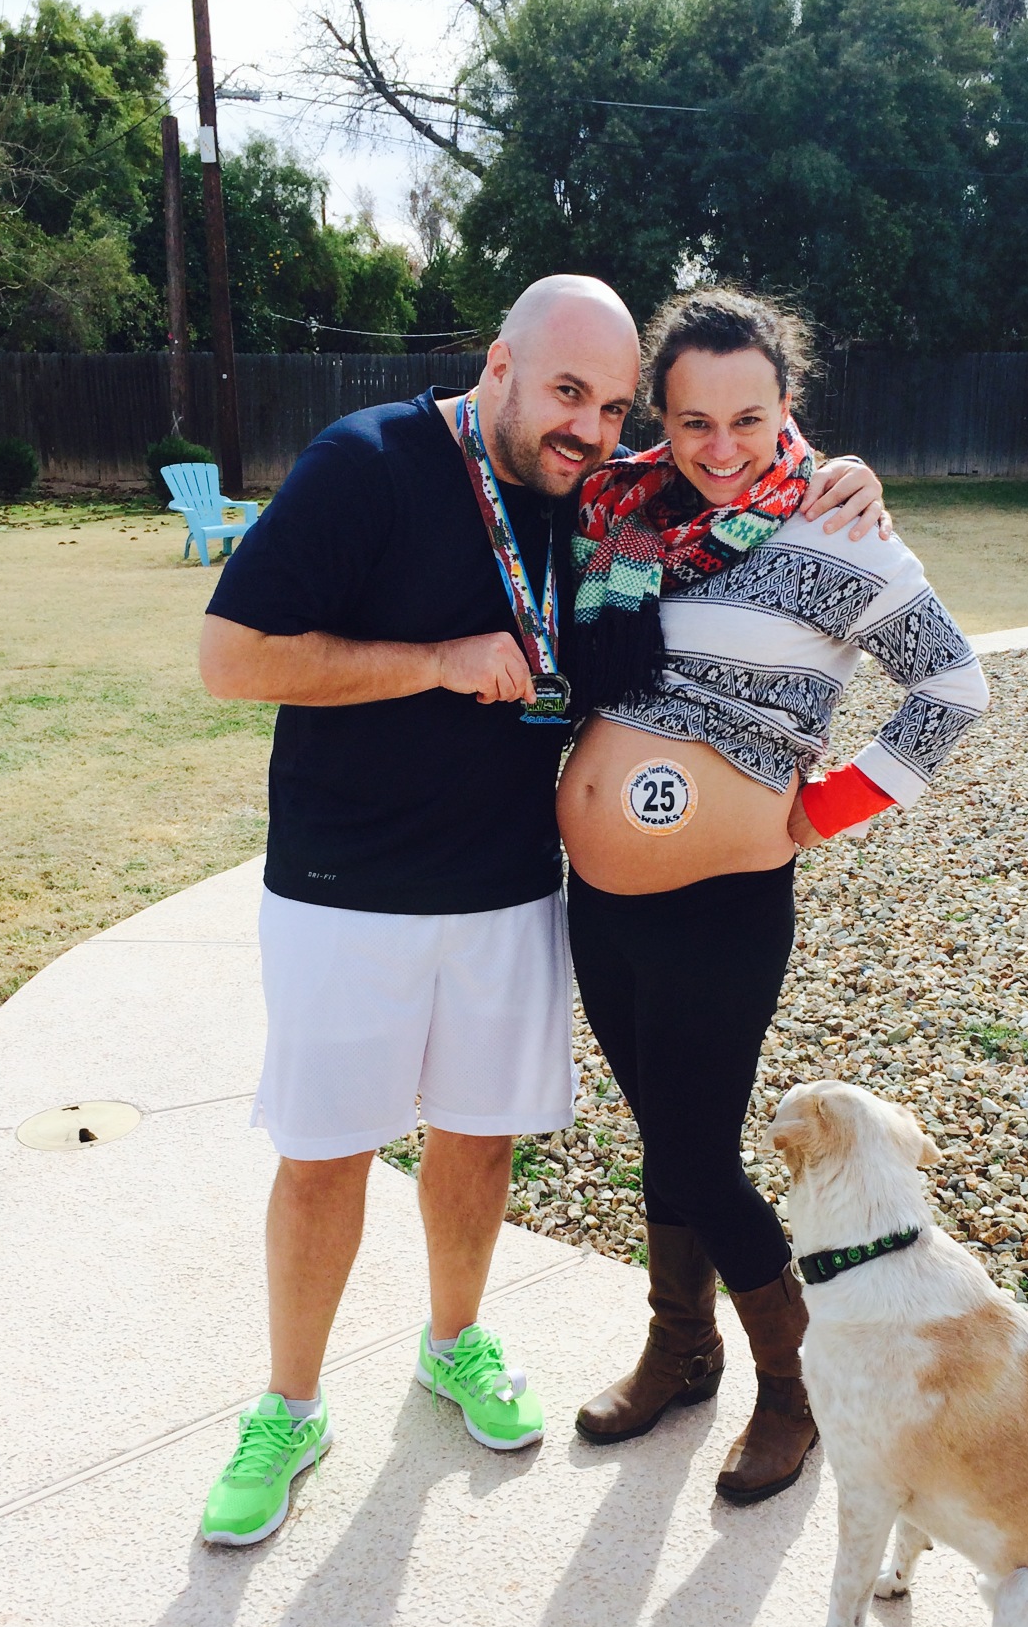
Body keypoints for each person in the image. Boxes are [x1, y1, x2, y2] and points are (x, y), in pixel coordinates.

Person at [193, 274, 890, 1545]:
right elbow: (230, 657)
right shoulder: (369, 460)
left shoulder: (605, 499)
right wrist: (435, 662)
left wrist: (838, 470)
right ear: (499, 363)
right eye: (570, 392)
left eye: (614, 406)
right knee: (327, 1150)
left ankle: (455, 1340)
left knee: (476, 1139)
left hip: (515, 888)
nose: (590, 426)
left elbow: (734, 451)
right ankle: (288, 1406)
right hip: (348, 888)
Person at [558, 286, 990, 1505]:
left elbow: (952, 687)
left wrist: (829, 805)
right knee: (666, 1137)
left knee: (699, 1151)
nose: (721, 448)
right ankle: (679, 1348)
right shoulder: (620, 512)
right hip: (602, 903)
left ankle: (796, 1389)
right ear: (661, 415)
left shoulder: (841, 529)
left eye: (748, 418)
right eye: (693, 421)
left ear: (787, 404)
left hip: (723, 904)